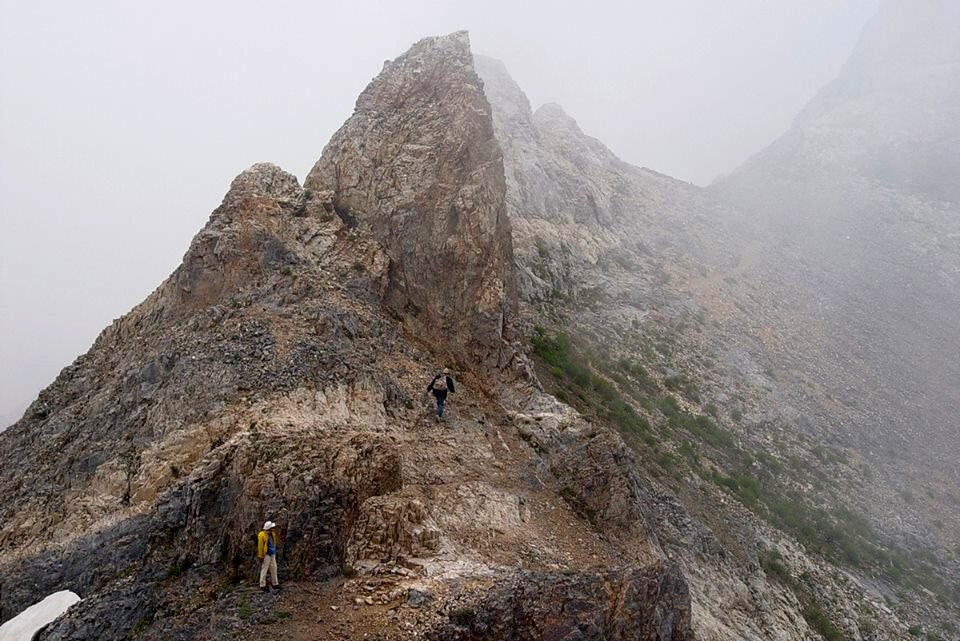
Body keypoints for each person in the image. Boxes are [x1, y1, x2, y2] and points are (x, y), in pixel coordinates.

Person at [257, 520, 281, 592]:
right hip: (266, 555)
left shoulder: (272, 534)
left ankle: (275, 583)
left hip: (272, 553)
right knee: (264, 569)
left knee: (274, 568)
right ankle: (262, 585)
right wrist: (260, 556)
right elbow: (260, 546)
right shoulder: (261, 535)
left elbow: (274, 543)